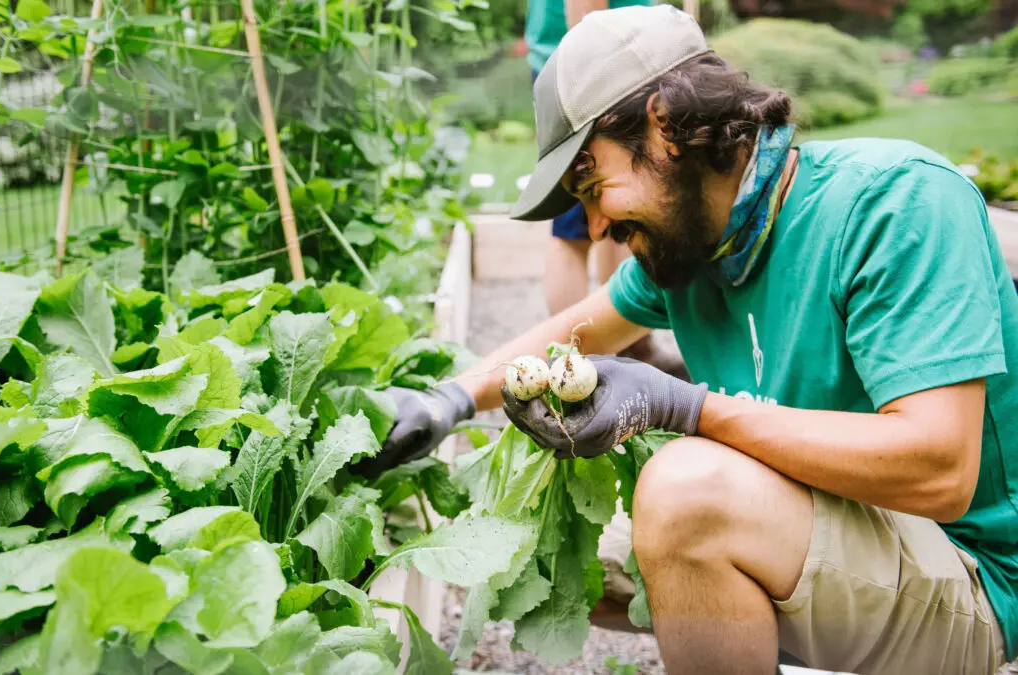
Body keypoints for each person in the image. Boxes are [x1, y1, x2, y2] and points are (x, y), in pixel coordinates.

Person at [368, 5, 1018, 675]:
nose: (593, 227)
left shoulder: (892, 202)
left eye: (592, 182)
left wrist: (689, 408)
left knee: (684, 493)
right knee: (533, 528)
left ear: (662, 125)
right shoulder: (696, 244)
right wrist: (448, 399)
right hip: (837, 538)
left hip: (973, 582)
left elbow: (940, 468)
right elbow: (575, 327)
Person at [524, 0, 666, 367]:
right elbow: (585, 17)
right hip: (589, 77)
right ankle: (575, 363)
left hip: (606, 71)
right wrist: (591, 87)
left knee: (616, 210)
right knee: (575, 229)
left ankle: (625, 346)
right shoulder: (589, 66)